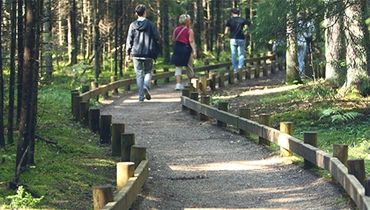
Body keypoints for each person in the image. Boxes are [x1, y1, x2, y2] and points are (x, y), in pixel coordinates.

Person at [126, 4, 161, 102]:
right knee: (148, 72)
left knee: (139, 74)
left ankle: (141, 97)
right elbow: (157, 37)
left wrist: (128, 54)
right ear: (145, 12)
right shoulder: (150, 24)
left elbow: (129, 40)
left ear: (136, 13)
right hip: (148, 53)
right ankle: (146, 86)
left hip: (136, 53)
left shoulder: (132, 25)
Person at [171, 14, 197, 91]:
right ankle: (191, 84)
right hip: (186, 49)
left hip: (177, 48)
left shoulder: (176, 29)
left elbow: (173, 39)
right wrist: (194, 51)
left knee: (178, 67)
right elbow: (191, 41)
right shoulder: (189, 30)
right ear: (187, 21)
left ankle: (178, 84)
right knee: (189, 66)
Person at [224, 8, 251, 73]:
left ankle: (235, 69)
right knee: (241, 54)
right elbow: (249, 25)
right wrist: (246, 32)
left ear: (232, 13)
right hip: (241, 38)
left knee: (233, 54)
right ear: (239, 13)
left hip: (233, 39)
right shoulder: (242, 20)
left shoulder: (229, 20)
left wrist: (227, 35)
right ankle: (240, 67)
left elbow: (225, 32)